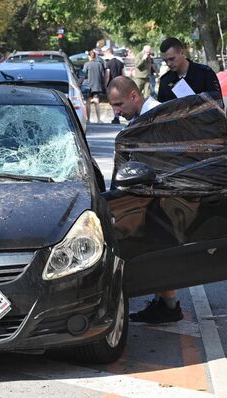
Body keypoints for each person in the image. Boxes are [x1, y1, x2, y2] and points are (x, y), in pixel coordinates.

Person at [106, 75, 189, 324]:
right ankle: (165, 304)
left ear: (134, 96)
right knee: (158, 251)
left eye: (119, 104)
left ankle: (168, 306)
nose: (116, 111)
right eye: (113, 106)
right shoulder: (145, 118)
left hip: (163, 195)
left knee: (160, 251)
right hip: (154, 194)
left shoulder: (154, 119)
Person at [157, 37, 222, 104]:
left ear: (182, 52)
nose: (168, 64)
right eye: (165, 60)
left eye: (172, 59)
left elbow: (218, 104)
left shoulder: (205, 74)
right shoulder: (165, 81)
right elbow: (160, 110)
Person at [81, 50, 106, 123]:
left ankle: (88, 120)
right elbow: (102, 75)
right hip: (97, 86)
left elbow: (83, 75)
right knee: (96, 102)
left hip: (88, 86)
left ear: (89, 56)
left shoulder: (87, 64)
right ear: (95, 57)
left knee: (88, 102)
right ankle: (98, 119)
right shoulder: (99, 64)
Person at [103, 48, 125, 124]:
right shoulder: (120, 63)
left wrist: (105, 85)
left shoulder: (108, 63)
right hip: (119, 84)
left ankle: (116, 116)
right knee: (118, 101)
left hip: (111, 85)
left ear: (108, 53)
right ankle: (117, 116)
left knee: (113, 102)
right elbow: (123, 74)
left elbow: (107, 75)